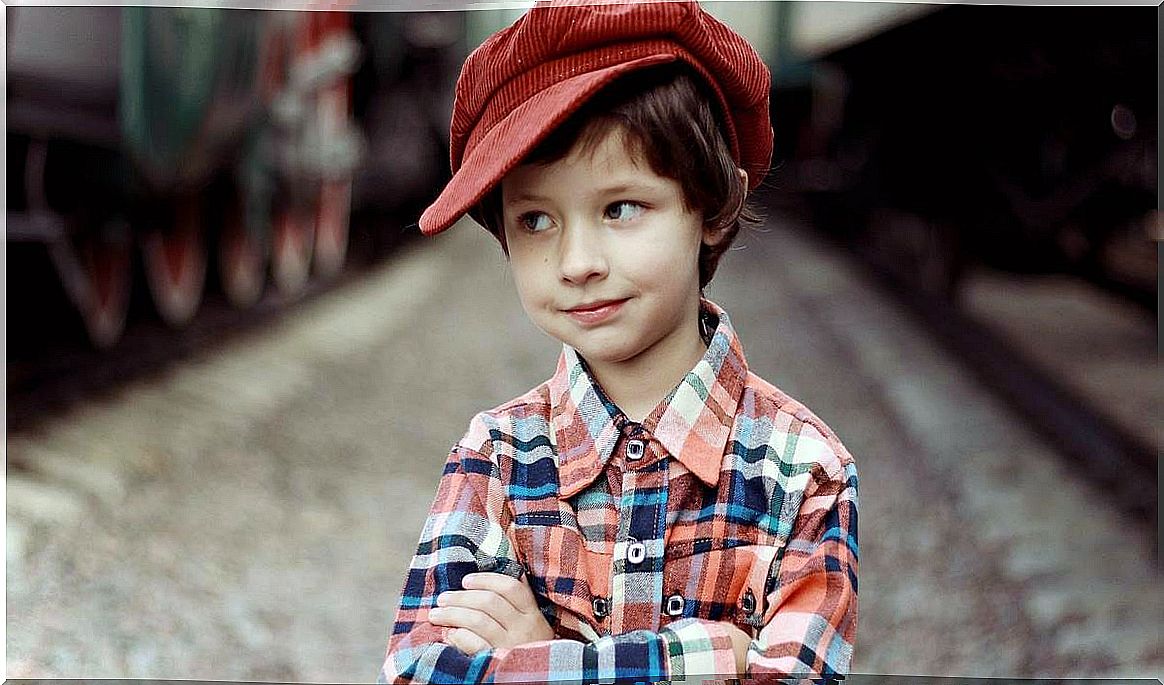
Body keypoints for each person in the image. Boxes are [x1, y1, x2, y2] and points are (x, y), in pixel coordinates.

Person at [379, 1, 858, 681]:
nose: (577, 261)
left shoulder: (804, 472)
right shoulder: (494, 458)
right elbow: (416, 671)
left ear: (714, 207)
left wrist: (537, 653)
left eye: (620, 208)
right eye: (537, 219)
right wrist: (717, 655)